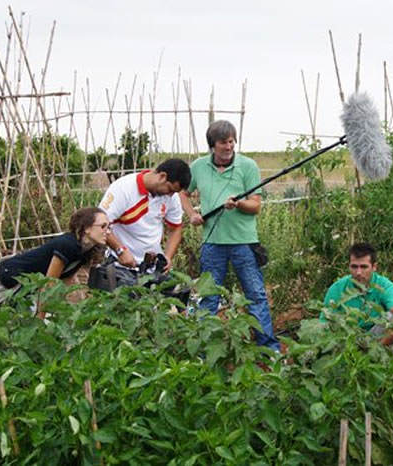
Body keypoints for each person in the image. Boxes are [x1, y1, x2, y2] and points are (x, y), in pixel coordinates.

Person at [179, 120, 280, 351]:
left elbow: (256, 206)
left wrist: (239, 203)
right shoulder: (198, 167)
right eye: (223, 143)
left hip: (243, 243)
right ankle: (204, 349)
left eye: (232, 141)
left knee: (255, 295)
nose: (229, 146)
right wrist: (191, 215)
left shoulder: (248, 166)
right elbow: (183, 193)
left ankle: (268, 349)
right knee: (208, 297)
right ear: (212, 146)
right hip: (212, 244)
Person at [0, 207, 109, 312]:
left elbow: (61, 287)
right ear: (87, 228)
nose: (107, 231)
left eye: (109, 227)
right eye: (103, 226)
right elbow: (49, 285)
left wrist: (59, 311)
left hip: (22, 290)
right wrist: (40, 319)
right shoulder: (68, 244)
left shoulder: (84, 252)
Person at [99, 159, 191, 271]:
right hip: (120, 265)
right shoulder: (123, 188)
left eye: (174, 192)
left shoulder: (171, 197)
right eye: (170, 189)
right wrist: (120, 250)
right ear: (162, 176)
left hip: (151, 267)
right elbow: (100, 224)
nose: (171, 195)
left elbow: (176, 228)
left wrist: (168, 256)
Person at [321, 242, 393, 345]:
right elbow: (324, 322)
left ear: (374, 267)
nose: (358, 272)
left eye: (364, 267)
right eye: (354, 267)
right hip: (346, 340)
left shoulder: (383, 285)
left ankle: (391, 359)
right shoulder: (337, 288)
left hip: (375, 339)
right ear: (348, 266)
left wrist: (379, 348)